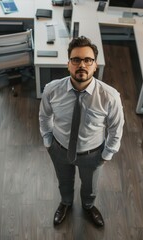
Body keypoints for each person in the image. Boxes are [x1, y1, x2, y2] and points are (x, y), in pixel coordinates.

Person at [39, 36, 124, 227]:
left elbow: (116, 128)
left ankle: (88, 206)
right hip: (59, 149)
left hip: (92, 154)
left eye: (88, 60)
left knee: (90, 187)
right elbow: (44, 117)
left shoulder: (110, 97)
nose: (82, 65)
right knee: (64, 182)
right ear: (68, 64)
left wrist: (107, 154)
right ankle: (66, 203)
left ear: (95, 66)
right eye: (76, 60)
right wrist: (47, 141)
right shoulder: (52, 90)